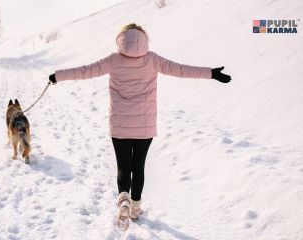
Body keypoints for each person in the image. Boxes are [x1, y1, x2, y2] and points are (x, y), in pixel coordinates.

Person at [48, 23, 231, 230]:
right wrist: (211, 73)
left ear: (121, 39)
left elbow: (84, 71)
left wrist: (57, 76)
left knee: (123, 167)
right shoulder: (152, 60)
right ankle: (135, 209)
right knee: (139, 166)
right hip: (144, 126)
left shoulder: (113, 60)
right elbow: (181, 70)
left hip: (120, 125)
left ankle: (123, 199)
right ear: (144, 39)